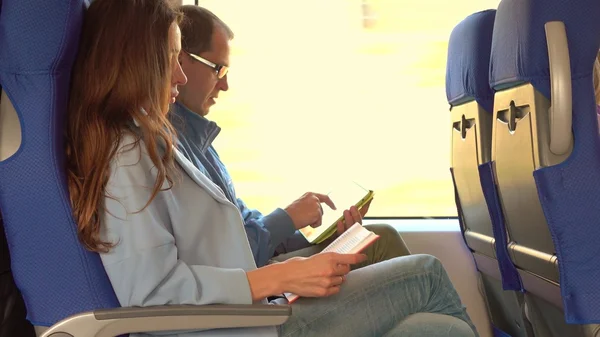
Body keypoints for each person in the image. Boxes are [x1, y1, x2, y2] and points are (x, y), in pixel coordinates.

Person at [65, 0, 478, 336]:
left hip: (251, 312)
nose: (177, 74)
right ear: (135, 62)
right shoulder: (126, 155)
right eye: (170, 59)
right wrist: (280, 279)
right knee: (426, 273)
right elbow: (152, 292)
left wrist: (285, 269)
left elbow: (210, 251)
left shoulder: (152, 140)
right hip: (239, 326)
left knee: (435, 328)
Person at [171, 5, 410, 269]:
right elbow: (228, 258)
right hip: (256, 299)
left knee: (377, 237)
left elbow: (245, 227)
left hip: (260, 279)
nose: (225, 85)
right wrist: (287, 218)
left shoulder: (198, 144)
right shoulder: (173, 151)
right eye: (218, 69)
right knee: (410, 262)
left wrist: (324, 236)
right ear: (181, 61)